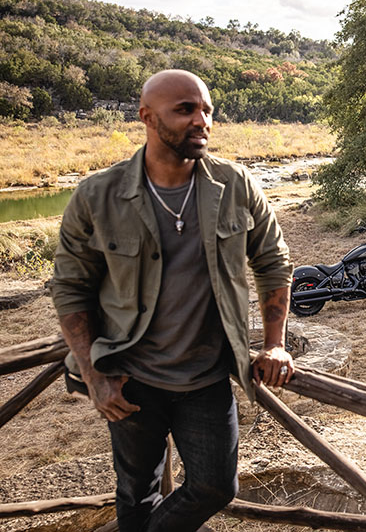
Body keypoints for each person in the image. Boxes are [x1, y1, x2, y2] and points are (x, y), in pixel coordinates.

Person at [51, 69, 295, 532]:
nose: (201, 120)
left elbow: (274, 263)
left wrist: (276, 342)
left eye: (207, 109)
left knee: (216, 486)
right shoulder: (98, 195)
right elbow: (70, 287)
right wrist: (93, 374)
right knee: (136, 492)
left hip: (205, 378)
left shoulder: (236, 184)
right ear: (147, 117)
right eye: (185, 109)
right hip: (131, 377)